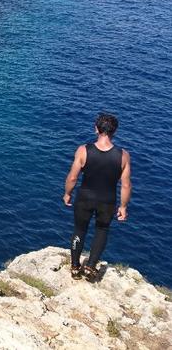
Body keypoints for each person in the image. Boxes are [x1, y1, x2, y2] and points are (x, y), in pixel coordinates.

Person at [64, 113, 132, 282]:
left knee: (80, 230)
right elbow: (126, 185)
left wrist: (67, 194)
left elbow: (73, 177)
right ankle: (90, 267)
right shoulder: (123, 155)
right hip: (107, 201)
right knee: (102, 231)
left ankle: (74, 267)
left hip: (84, 198)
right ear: (114, 131)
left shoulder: (83, 150)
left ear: (96, 129)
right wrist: (123, 207)